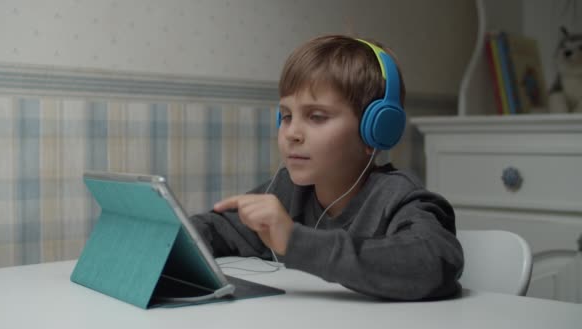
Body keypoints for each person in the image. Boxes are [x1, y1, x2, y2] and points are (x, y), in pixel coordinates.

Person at [190, 35, 463, 300]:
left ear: (377, 129)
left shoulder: (398, 197)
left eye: (317, 116)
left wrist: (295, 242)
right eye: (286, 116)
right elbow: (216, 229)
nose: (291, 133)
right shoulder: (289, 190)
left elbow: (434, 262)